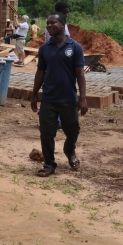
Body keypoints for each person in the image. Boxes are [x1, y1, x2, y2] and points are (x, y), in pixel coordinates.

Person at [31, 12, 87, 177]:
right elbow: (40, 73)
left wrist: (82, 98)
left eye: (53, 23)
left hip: (68, 98)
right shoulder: (44, 49)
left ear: (63, 25)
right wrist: (34, 95)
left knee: (73, 130)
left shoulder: (74, 47)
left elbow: (80, 74)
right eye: (48, 23)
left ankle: (69, 151)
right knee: (46, 132)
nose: (49, 26)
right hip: (48, 98)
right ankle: (49, 164)